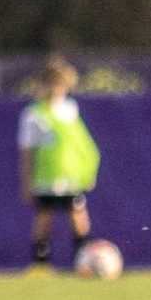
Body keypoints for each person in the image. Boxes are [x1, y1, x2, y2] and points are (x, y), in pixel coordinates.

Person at [19, 54, 102, 274]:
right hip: (47, 177)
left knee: (78, 215)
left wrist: (88, 170)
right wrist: (26, 183)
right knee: (44, 217)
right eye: (51, 83)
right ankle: (40, 263)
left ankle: (83, 261)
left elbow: (82, 144)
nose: (56, 89)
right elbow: (27, 153)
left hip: (71, 176)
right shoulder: (33, 115)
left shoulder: (70, 110)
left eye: (60, 84)